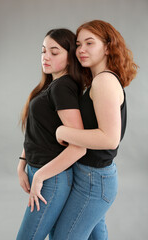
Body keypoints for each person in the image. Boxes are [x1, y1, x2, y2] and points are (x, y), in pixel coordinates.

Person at [51, 20, 138, 239]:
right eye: (79, 44)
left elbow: (110, 139)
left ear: (108, 47)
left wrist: (62, 132)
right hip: (91, 176)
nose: (81, 50)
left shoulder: (104, 82)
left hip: (94, 179)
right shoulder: (98, 81)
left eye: (89, 43)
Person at [16, 28, 87, 240]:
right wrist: (22, 163)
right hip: (43, 173)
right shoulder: (52, 85)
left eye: (54, 52)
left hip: (51, 178)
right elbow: (38, 132)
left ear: (70, 57)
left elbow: (79, 146)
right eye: (43, 50)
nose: (46, 57)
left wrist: (39, 175)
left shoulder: (62, 88)